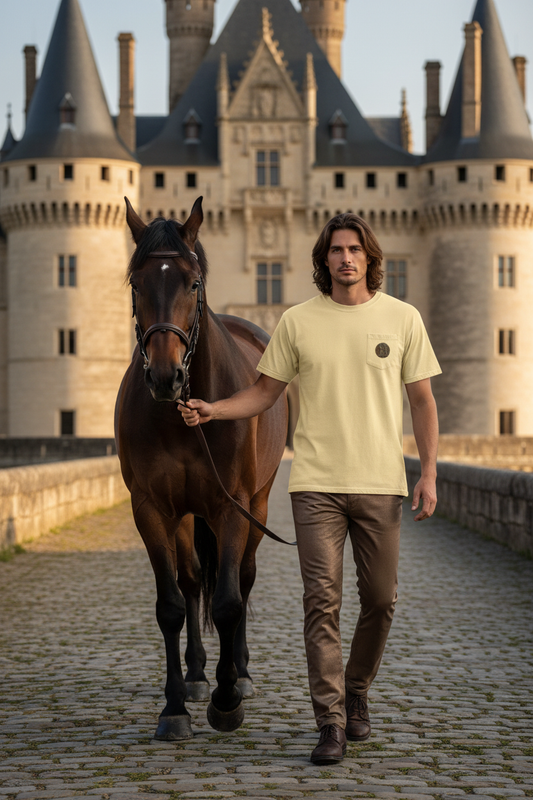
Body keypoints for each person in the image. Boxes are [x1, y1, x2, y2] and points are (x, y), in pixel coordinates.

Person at [180, 213, 441, 765]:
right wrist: (213, 409)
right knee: (321, 604)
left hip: (380, 484)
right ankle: (330, 722)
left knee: (380, 601)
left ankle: (357, 689)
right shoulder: (297, 321)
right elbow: (264, 393)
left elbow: (422, 401)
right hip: (316, 486)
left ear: (369, 257)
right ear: (324, 260)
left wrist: (431, 473)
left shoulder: (403, 318)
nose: (345, 258)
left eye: (354, 250)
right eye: (336, 250)